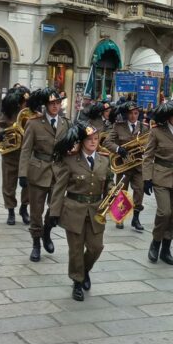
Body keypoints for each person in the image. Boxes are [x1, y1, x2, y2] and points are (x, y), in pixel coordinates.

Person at [50, 121, 111, 301]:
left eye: (96, 138)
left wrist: (114, 197)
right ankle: (77, 281)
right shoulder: (70, 161)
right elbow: (59, 188)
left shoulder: (104, 160)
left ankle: (84, 270)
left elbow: (109, 183)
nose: (93, 142)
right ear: (82, 141)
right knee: (76, 249)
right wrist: (54, 212)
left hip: (96, 211)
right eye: (89, 139)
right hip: (74, 210)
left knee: (96, 247)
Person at [19, 87, 69, 262]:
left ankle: (46, 231)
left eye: (57, 103)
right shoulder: (33, 124)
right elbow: (25, 150)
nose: (55, 106)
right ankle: (36, 244)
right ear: (45, 105)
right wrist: (22, 174)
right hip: (38, 171)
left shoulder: (65, 123)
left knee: (56, 208)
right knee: (36, 211)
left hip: (58, 172)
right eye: (51, 103)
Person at [142, 99, 173, 265]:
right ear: (168, 117)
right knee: (164, 212)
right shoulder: (157, 132)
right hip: (160, 175)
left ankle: (166, 248)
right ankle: (155, 243)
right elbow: (148, 156)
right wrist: (147, 178)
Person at [103, 100, 145, 232]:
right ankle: (119, 218)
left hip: (138, 165)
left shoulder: (144, 128)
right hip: (123, 166)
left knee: (140, 190)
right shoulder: (118, 126)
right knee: (121, 192)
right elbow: (107, 142)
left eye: (136, 113)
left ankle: (136, 218)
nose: (133, 116)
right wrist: (118, 149)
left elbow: (150, 145)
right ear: (127, 115)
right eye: (131, 114)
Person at [0, 87, 31, 225]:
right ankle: (10, 211)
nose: (24, 104)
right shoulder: (10, 112)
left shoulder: (31, 113)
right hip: (10, 155)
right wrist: (0, 132)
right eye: (23, 102)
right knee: (9, 184)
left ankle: (24, 208)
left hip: (27, 156)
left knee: (28, 185)